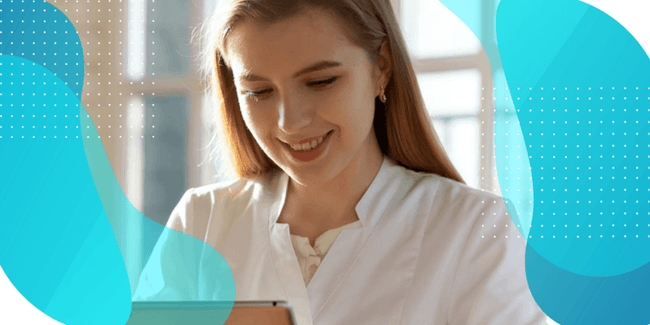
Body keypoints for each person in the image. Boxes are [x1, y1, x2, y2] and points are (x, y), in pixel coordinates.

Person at [134, 0, 547, 324]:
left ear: (381, 66)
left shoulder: (479, 231)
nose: (289, 121)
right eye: (259, 91)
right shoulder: (201, 222)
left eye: (320, 82)